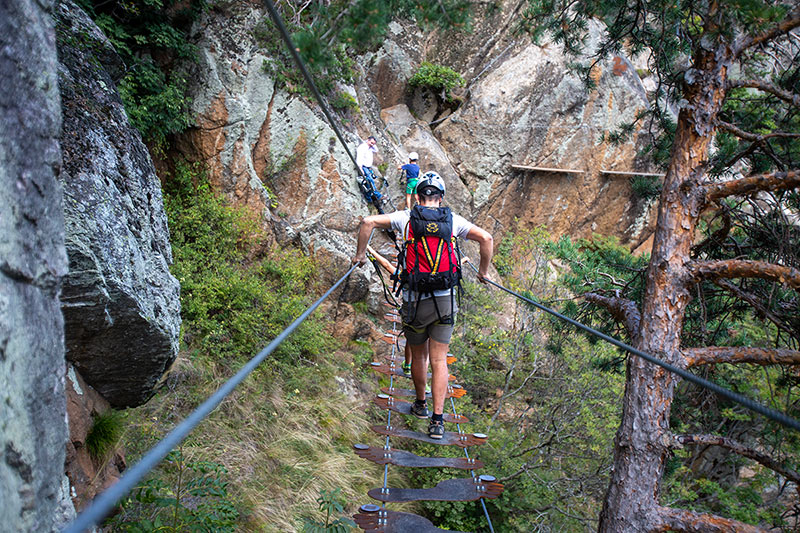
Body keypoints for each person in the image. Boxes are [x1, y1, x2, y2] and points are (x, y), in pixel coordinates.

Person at [353, 172, 493, 439]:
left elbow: (368, 222)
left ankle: (420, 405)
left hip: (415, 300)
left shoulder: (405, 218)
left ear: (417, 197)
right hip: (445, 300)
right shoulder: (453, 221)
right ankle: (438, 422)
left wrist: (360, 255)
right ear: (441, 198)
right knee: (439, 359)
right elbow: (486, 238)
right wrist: (483, 272)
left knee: (419, 356)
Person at [366, 244, 416, 375]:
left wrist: (370, 249)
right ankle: (418, 370)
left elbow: (387, 265)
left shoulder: (406, 277)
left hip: (410, 312)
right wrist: (463, 260)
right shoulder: (430, 278)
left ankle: (408, 365)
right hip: (429, 310)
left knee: (411, 337)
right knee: (425, 345)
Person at [356, 136, 383, 204]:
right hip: (363, 167)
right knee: (370, 182)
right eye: (371, 142)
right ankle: (378, 196)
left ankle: (369, 199)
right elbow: (359, 158)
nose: (372, 144)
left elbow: (376, 150)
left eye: (373, 143)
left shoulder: (370, 148)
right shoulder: (362, 147)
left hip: (368, 167)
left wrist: (372, 144)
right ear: (367, 140)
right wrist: (360, 168)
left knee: (368, 184)